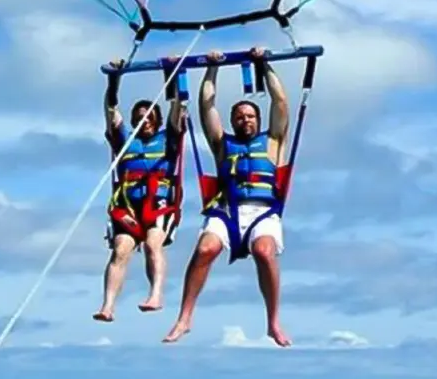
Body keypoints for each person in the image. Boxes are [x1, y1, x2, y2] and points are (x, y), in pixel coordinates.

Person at [163, 47, 292, 347]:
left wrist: (265, 64)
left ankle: (273, 321)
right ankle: (185, 318)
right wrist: (212, 68)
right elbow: (206, 106)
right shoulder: (223, 144)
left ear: (258, 120)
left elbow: (281, 101)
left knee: (264, 252)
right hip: (227, 210)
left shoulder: (273, 140)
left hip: (262, 212)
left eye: (250, 115)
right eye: (239, 116)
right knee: (206, 249)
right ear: (233, 121)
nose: (245, 120)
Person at [93, 59, 186, 322]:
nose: (145, 121)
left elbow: (178, 105)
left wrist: (175, 73)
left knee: (152, 244)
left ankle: (155, 295)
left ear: (156, 120)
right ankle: (108, 306)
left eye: (150, 117)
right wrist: (114, 79)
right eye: (140, 117)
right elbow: (111, 109)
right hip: (128, 206)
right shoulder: (126, 140)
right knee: (120, 249)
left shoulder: (168, 137)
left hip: (159, 204)